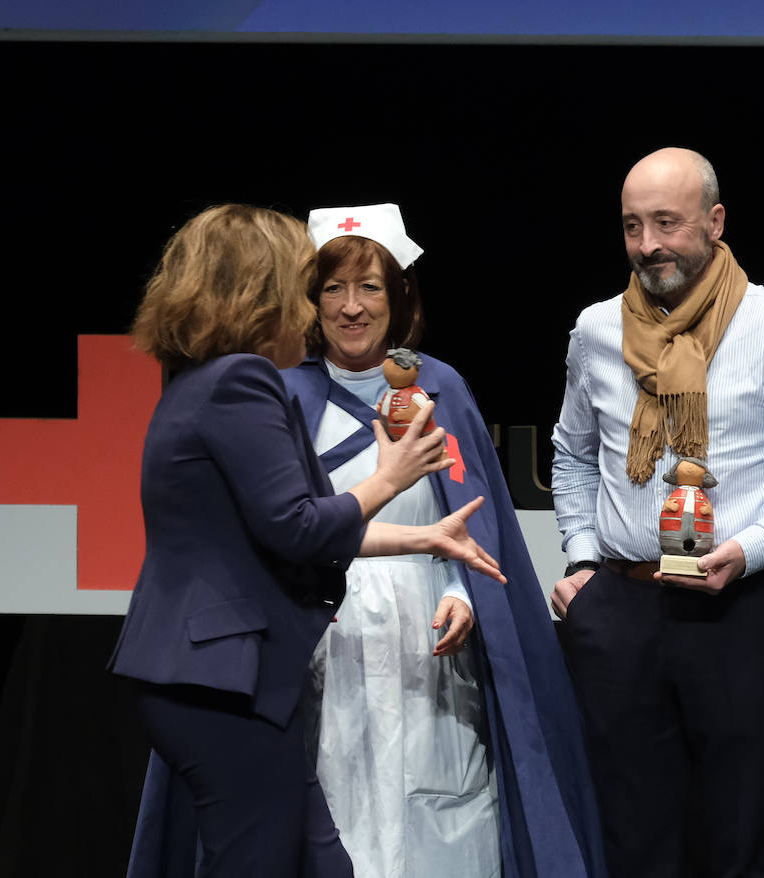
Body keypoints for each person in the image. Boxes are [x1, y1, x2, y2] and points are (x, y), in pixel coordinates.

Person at [108, 203, 503, 878]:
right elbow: (298, 527)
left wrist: (426, 538)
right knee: (257, 860)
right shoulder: (243, 381)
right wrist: (390, 478)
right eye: (307, 283)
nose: (318, 303)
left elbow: (288, 530)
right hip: (224, 679)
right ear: (261, 289)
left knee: (320, 859)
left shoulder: (199, 383)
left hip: (228, 676)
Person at [550, 148, 764, 877]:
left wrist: (753, 547)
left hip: (736, 609)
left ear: (715, 221)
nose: (648, 244)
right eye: (633, 226)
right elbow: (570, 456)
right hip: (620, 605)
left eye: (667, 222)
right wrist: (579, 559)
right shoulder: (597, 330)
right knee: (627, 835)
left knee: (737, 834)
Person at [284, 203, 605, 878]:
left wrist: (465, 591)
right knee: (335, 805)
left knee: (439, 817)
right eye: (333, 289)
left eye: (369, 287)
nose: (351, 308)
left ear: (399, 295)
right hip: (326, 633)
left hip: (429, 632)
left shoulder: (441, 388)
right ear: (309, 301)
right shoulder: (283, 396)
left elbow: (472, 521)